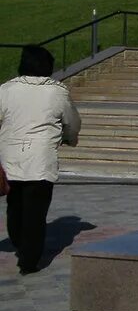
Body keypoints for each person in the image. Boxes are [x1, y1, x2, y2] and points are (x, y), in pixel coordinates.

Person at [0, 45, 80, 274]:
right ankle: (29, 260)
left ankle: (18, 240)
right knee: (36, 211)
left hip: (11, 156)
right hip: (41, 158)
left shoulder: (6, 89)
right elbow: (72, 121)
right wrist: (70, 138)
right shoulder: (57, 91)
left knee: (15, 204)